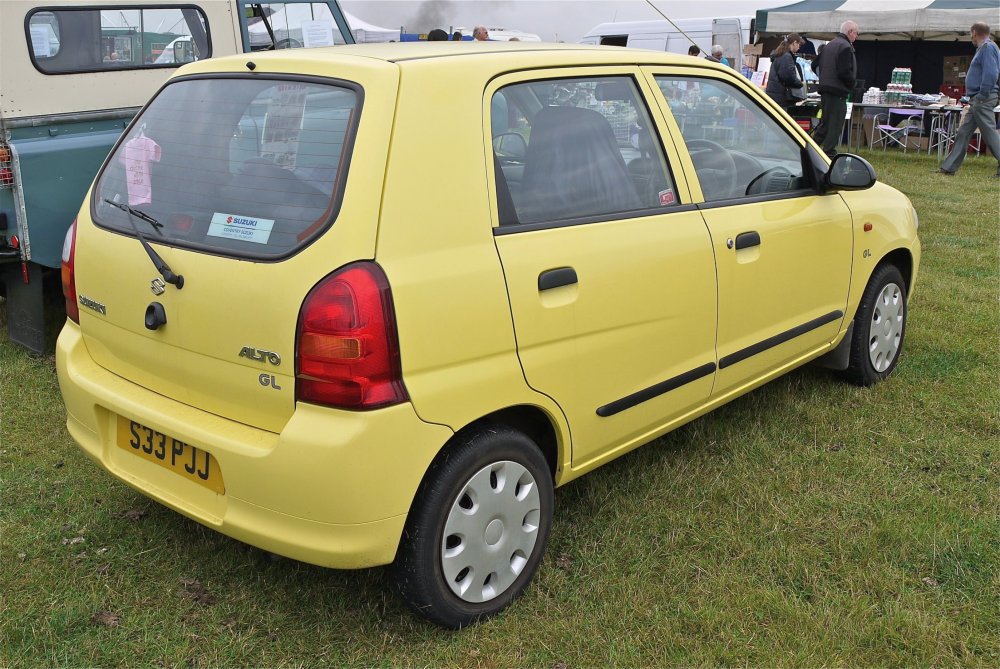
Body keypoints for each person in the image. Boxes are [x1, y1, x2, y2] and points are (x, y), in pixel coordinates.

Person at [937, 22, 1000, 177]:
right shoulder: (986, 48)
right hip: (977, 99)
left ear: (974, 33)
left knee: (990, 135)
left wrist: (982, 95)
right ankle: (949, 168)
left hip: (982, 99)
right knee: (964, 132)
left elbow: (991, 75)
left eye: (970, 34)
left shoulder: (987, 48)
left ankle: (949, 167)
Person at [811, 20, 858, 157]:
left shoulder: (830, 45)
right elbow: (844, 72)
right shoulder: (845, 47)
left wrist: (824, 78)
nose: (857, 36)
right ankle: (829, 154)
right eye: (856, 33)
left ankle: (810, 149)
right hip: (838, 91)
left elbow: (814, 64)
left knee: (825, 123)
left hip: (825, 90)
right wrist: (850, 85)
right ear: (850, 32)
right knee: (835, 124)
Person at [765, 33, 806, 113]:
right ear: (794, 43)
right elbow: (788, 77)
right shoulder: (786, 56)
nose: (799, 47)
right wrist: (800, 84)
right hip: (781, 96)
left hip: (775, 94)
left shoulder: (780, 54)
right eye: (799, 44)